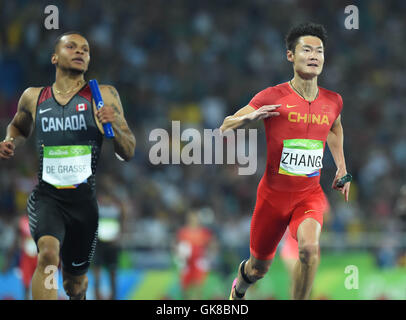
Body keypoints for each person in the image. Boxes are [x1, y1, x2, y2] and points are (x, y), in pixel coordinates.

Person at [0, 31, 136, 300]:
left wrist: (114, 127)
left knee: (75, 284)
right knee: (48, 256)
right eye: (71, 47)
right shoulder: (34, 97)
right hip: (47, 197)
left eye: (85, 49)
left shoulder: (103, 96)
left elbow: (128, 150)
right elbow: (19, 124)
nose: (79, 52)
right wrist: (9, 140)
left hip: (83, 204)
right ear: (54, 57)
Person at [220, 22, 350, 300]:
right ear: (290, 56)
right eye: (307, 50)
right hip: (272, 197)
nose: (314, 56)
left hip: (309, 195)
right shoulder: (272, 96)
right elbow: (225, 126)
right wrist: (248, 117)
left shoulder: (333, 101)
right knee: (258, 269)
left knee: (308, 249)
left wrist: (342, 167)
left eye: (320, 51)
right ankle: (239, 289)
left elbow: (335, 128)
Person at [174, 211, 217, 299]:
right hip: (186, 262)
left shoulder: (203, 232)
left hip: (198, 261)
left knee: (198, 287)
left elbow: (212, 243)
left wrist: (210, 256)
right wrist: (179, 256)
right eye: (192, 217)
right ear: (188, 219)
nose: (193, 220)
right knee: (184, 287)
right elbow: (176, 245)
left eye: (195, 218)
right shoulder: (183, 232)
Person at [93, 191, 126, 300]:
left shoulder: (116, 209)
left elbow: (122, 223)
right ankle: (97, 297)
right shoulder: (97, 208)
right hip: (99, 244)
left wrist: (119, 236)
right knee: (97, 274)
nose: (106, 199)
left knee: (113, 274)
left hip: (112, 245)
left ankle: (113, 297)